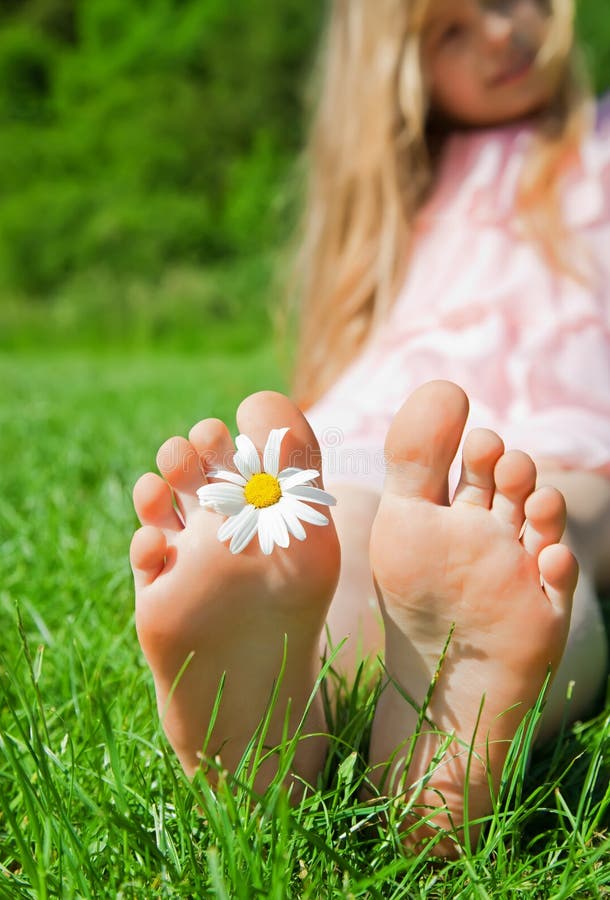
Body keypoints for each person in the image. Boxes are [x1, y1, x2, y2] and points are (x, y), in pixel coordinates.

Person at [129, 0, 610, 854]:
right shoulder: (401, 186)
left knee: (543, 535)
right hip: (385, 434)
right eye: (450, 32)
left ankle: (432, 730)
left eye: (503, 2)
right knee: (343, 526)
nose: (501, 35)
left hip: (567, 434)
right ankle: (285, 722)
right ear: (401, 72)